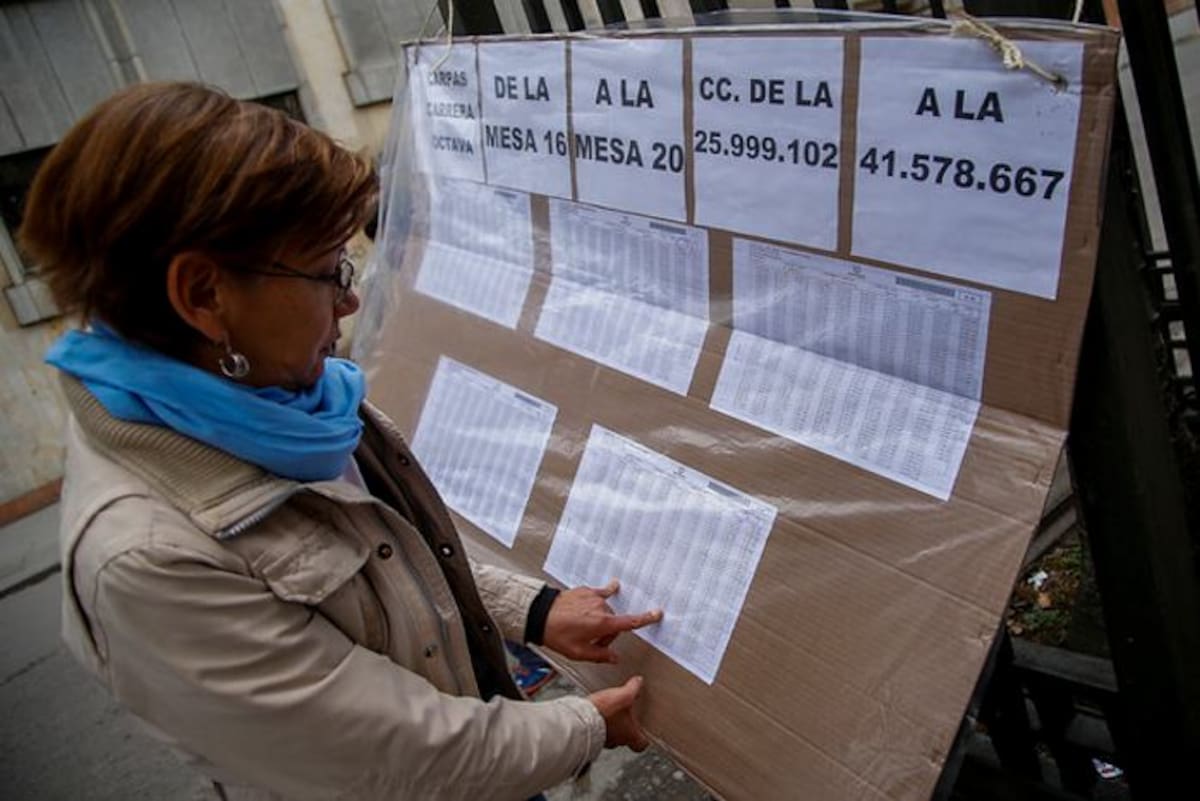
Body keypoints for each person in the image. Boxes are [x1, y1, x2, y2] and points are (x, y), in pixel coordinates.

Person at [26, 82, 663, 801]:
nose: (350, 298)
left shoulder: (278, 403)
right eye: (327, 269)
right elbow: (400, 759)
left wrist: (537, 609)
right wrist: (586, 724)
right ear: (204, 295)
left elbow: (382, 563)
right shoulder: (147, 561)